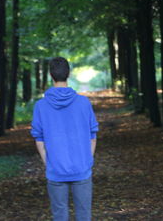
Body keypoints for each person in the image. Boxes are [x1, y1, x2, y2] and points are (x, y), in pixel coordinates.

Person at [31, 57, 99, 221]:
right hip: (81, 168)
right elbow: (93, 135)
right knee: (84, 215)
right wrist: (87, 160)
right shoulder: (84, 102)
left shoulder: (41, 106)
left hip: (56, 170)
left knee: (59, 215)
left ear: (50, 75)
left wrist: (49, 163)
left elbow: (39, 138)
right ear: (68, 74)